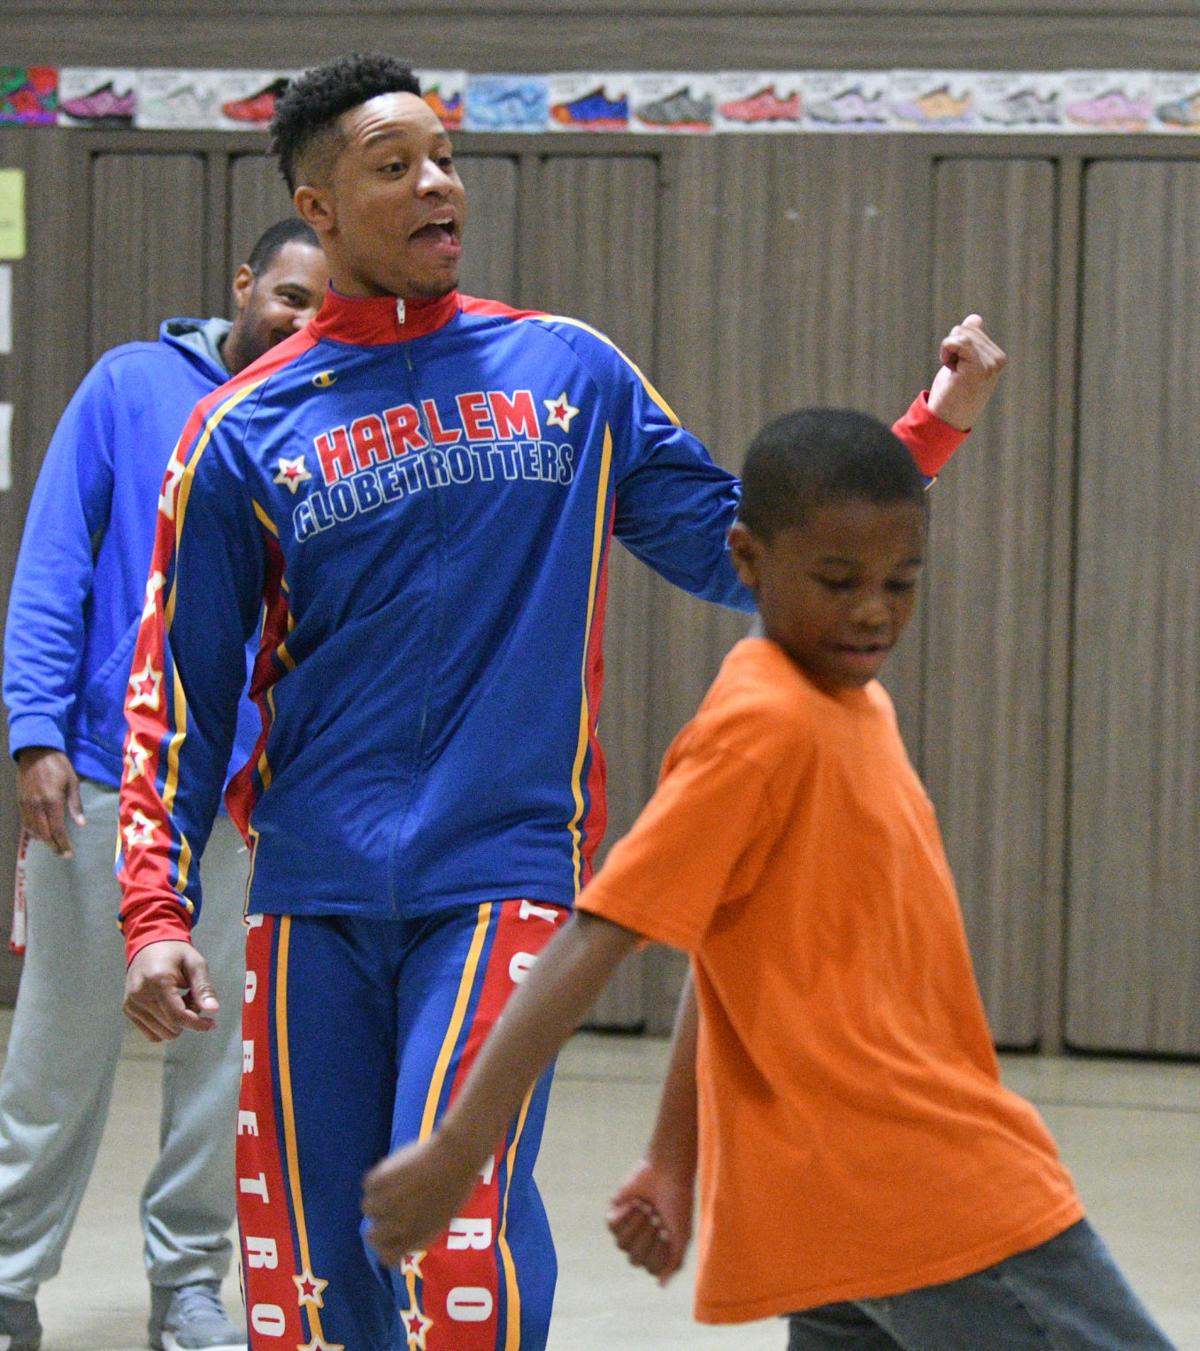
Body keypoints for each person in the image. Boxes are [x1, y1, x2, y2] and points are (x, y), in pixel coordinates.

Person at [116, 53, 1004, 1351]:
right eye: (395, 165)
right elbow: (175, 696)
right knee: (318, 1276)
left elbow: (730, 544)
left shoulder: (566, 369)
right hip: (311, 887)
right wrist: (154, 907)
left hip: (505, 866)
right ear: (317, 209)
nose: (439, 184)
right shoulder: (244, 429)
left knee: (454, 1217)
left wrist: (931, 423)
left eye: (445, 157)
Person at [362, 408, 1177, 1351]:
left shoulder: (851, 701)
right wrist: (463, 1145)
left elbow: (726, 938)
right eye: (837, 581)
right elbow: (595, 935)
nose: (871, 609)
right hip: (927, 1188)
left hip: (828, 1206)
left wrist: (674, 1157)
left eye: (899, 582)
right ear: (746, 558)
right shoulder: (763, 726)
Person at [0, 218, 326, 1351]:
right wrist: (34, 729)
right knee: (60, 1048)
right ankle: (5, 1275)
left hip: (249, 794)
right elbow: (53, 560)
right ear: (243, 285)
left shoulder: (324, 415)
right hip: (103, 772)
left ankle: (187, 1282)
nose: (300, 320)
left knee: (217, 1051)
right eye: (287, 296)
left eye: (320, 308)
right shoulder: (130, 385)